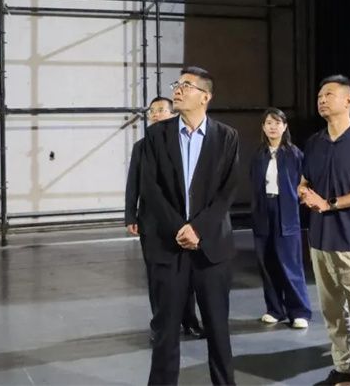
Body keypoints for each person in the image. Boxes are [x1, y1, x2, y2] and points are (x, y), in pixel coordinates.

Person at [140, 67, 238, 385]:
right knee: (165, 332)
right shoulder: (156, 135)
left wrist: (198, 229)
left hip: (211, 248)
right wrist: (179, 228)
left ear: (205, 96)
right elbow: (150, 187)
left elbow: (227, 191)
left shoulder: (226, 136)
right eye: (177, 84)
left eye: (186, 85)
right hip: (168, 248)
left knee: (218, 330)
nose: (178, 90)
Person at [299, 75, 350, 386]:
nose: (321, 99)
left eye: (329, 94)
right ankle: (344, 368)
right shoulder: (314, 143)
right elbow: (305, 181)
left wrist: (329, 204)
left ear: (348, 100)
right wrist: (303, 192)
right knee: (332, 311)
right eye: (320, 95)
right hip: (319, 240)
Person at [125, 96, 205, 343]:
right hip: (152, 223)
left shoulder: (184, 143)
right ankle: (160, 325)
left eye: (161, 110)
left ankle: (189, 321)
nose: (156, 114)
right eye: (152, 111)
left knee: (187, 274)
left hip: (182, 221)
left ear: (173, 114)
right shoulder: (141, 146)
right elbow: (133, 183)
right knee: (157, 277)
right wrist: (130, 214)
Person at [250, 107, 312, 329]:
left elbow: (304, 183)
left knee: (290, 262)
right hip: (263, 210)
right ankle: (275, 309)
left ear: (285, 126)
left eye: (277, 123)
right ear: (263, 127)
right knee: (267, 262)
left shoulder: (294, 154)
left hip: (286, 210)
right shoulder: (258, 154)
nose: (272, 127)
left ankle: (299, 311)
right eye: (268, 123)